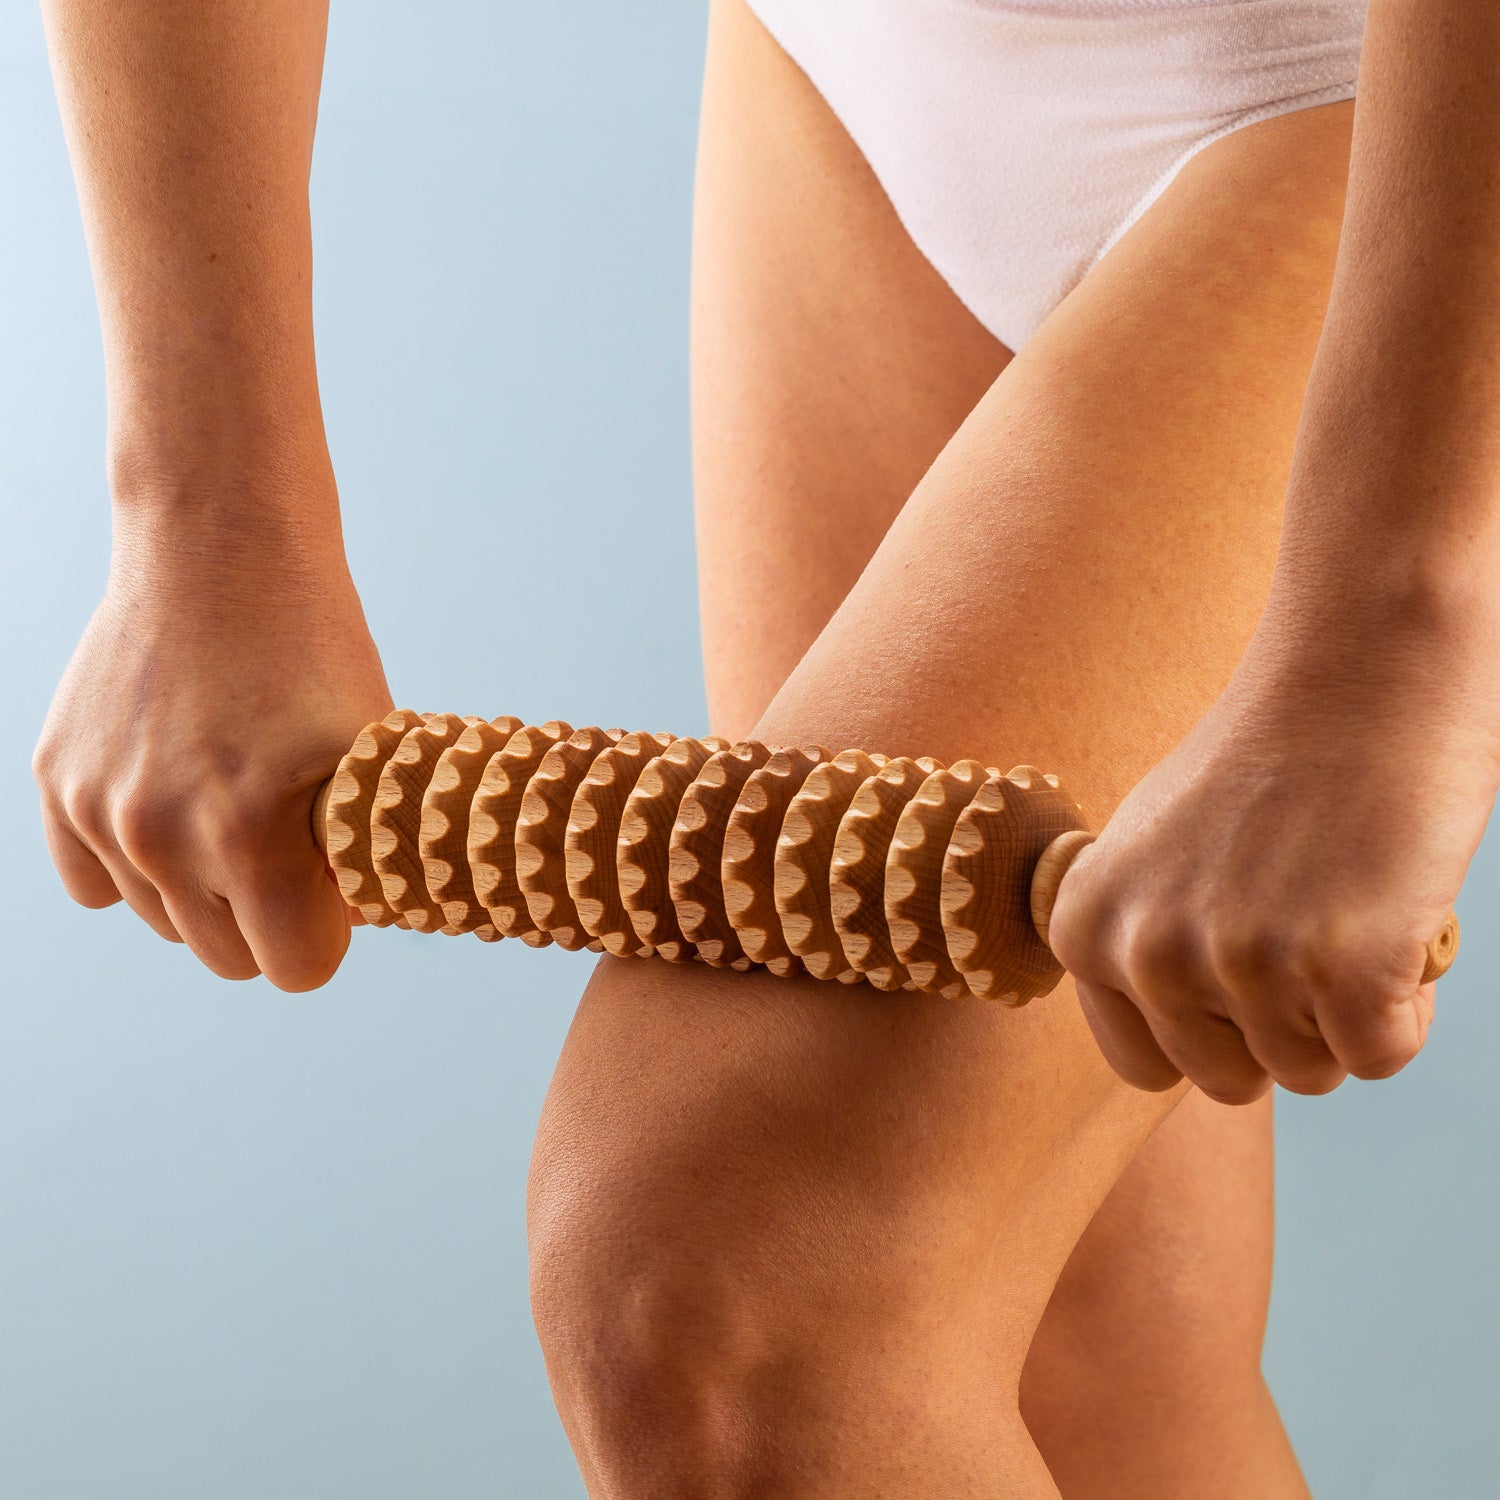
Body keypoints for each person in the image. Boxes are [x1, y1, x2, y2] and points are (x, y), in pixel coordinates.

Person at [31, 0, 1498, 1493]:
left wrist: (1393, 639)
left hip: (1377, 101)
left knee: (737, 1278)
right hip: (849, 61)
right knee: (1086, 1358)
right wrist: (202, 515)